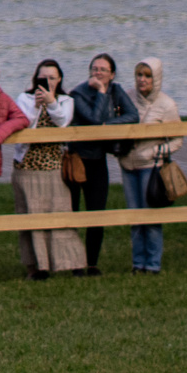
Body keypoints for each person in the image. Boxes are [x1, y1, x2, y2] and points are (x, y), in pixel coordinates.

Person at [12, 60, 85, 280]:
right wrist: (36, 105)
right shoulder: (24, 99)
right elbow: (25, 123)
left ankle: (72, 263)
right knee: (31, 219)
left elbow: (62, 122)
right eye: (43, 78)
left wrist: (52, 102)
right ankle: (37, 267)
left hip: (54, 167)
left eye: (52, 78)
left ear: (59, 79)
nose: (48, 82)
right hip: (27, 167)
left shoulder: (66, 101)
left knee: (61, 217)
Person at [67, 53, 138, 274]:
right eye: (94, 69)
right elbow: (94, 121)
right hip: (77, 159)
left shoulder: (116, 90)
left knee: (97, 213)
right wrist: (100, 92)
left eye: (103, 70)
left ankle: (92, 263)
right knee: (73, 214)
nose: (98, 73)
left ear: (112, 74)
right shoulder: (78, 94)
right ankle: (74, 262)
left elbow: (133, 115)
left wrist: (109, 123)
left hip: (98, 160)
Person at [116, 59, 183, 274]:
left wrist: (156, 153)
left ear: (156, 78)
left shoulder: (167, 105)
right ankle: (138, 263)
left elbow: (177, 140)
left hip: (151, 167)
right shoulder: (125, 98)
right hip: (128, 164)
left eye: (147, 75)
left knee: (151, 217)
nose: (142, 80)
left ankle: (153, 264)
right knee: (134, 218)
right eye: (139, 75)